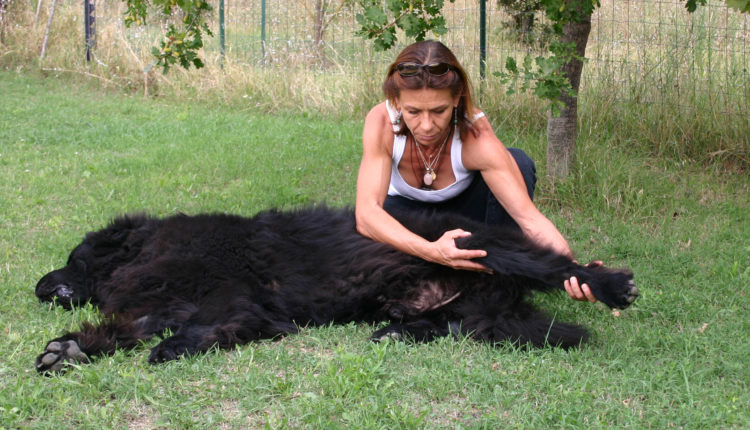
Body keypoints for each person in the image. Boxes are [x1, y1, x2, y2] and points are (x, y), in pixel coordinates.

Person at [354, 40, 597, 303]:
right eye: (413, 111)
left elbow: (529, 218)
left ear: (457, 98)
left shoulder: (476, 135)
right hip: (407, 219)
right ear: (397, 101)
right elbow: (367, 215)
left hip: (464, 219)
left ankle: (498, 272)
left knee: (518, 162)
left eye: (439, 111)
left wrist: (573, 269)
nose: (426, 125)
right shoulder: (381, 122)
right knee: (373, 252)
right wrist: (432, 251)